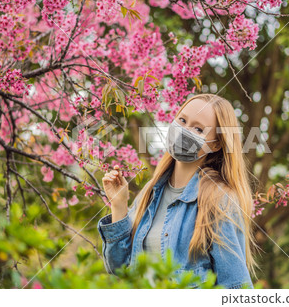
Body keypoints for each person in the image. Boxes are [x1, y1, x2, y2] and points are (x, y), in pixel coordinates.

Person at [97, 93, 259, 289]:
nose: (184, 131)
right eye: (182, 120)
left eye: (198, 129)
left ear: (215, 144)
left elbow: (236, 286)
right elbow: (120, 269)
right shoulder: (150, 193)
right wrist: (119, 205)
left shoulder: (219, 200)